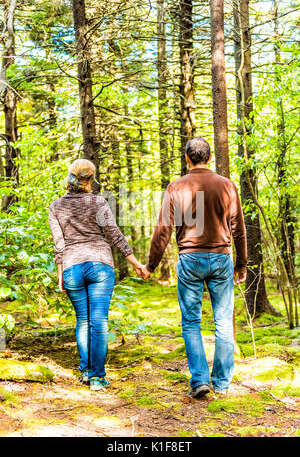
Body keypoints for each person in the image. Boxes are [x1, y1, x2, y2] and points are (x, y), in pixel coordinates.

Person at [141, 138, 247, 398]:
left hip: (190, 259)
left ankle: (200, 380)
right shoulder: (227, 186)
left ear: (187, 158)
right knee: (223, 321)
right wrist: (241, 265)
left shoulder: (175, 187)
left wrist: (151, 265)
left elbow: (163, 230)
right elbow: (239, 229)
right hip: (221, 258)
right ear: (209, 158)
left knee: (191, 323)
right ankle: (221, 383)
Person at [48, 158, 143, 391]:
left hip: (72, 267)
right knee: (98, 321)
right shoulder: (99, 202)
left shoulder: (56, 206)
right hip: (100, 264)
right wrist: (136, 263)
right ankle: (97, 378)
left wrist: (60, 274)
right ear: (91, 178)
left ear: (70, 176)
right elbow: (114, 234)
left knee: (83, 320)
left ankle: (85, 372)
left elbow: (58, 243)